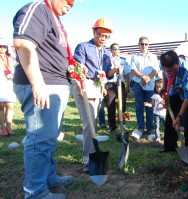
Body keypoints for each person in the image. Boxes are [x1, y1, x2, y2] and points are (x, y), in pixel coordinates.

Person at [12, 0, 75, 198]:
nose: (71, 5)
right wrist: (37, 83)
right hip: (43, 83)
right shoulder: (38, 8)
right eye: (69, 1)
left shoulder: (53, 16)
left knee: (48, 137)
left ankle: (48, 177)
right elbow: (23, 43)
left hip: (54, 83)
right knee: (40, 139)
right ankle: (35, 191)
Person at [73, 18, 114, 173]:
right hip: (85, 85)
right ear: (94, 32)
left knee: (94, 123)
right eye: (100, 34)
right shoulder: (83, 47)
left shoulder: (106, 52)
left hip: (97, 87)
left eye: (106, 36)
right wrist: (79, 86)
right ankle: (87, 160)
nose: (102, 38)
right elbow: (77, 68)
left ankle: (92, 154)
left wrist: (115, 71)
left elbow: (107, 73)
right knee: (89, 125)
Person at [159, 50, 188, 153]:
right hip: (176, 89)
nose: (172, 73)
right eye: (169, 71)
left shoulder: (187, 71)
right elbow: (165, 74)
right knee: (170, 116)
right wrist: (165, 86)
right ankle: (170, 146)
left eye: (174, 70)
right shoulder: (164, 64)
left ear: (178, 63)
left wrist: (180, 116)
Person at [131, 36, 159, 139]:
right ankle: (140, 128)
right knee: (139, 107)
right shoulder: (135, 57)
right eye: (142, 44)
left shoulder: (153, 56)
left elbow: (156, 70)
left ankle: (150, 127)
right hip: (138, 84)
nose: (144, 46)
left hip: (150, 84)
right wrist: (143, 77)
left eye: (146, 44)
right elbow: (133, 70)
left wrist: (148, 78)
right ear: (138, 45)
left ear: (148, 45)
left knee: (150, 107)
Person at [104, 43, 131, 132]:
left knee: (122, 105)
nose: (116, 50)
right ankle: (112, 126)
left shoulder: (123, 60)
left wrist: (127, 85)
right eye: (114, 48)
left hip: (121, 83)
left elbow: (126, 73)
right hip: (110, 84)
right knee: (110, 105)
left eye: (117, 49)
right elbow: (104, 73)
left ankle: (121, 123)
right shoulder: (107, 60)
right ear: (110, 50)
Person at [0, 38, 16, 136]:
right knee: (0, 107)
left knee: (10, 106)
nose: (2, 48)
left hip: (9, 84)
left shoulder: (11, 57)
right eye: (1, 46)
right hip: (0, 84)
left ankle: (9, 126)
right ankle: (2, 127)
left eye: (4, 46)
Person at [144, 78, 166, 142]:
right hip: (156, 113)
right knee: (156, 126)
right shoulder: (155, 95)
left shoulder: (165, 95)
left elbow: (167, 104)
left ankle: (167, 135)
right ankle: (157, 137)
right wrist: (148, 104)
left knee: (166, 125)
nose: (158, 89)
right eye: (157, 87)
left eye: (160, 87)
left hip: (163, 114)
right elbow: (152, 104)